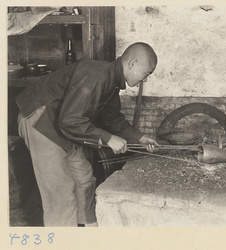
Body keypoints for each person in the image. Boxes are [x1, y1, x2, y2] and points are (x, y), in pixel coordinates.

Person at [16, 42, 159, 227]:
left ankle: (88, 231)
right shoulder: (97, 73)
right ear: (132, 63)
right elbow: (69, 120)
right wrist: (108, 139)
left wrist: (140, 137)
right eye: (147, 74)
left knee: (84, 179)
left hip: (61, 126)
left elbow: (113, 119)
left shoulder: (111, 83)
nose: (145, 80)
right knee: (61, 192)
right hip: (40, 120)